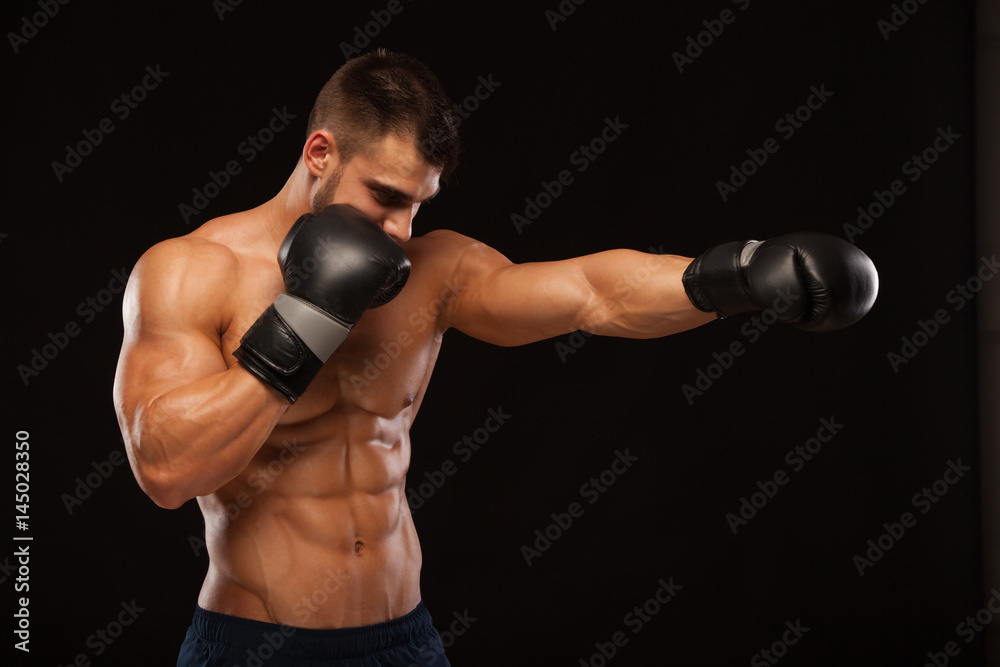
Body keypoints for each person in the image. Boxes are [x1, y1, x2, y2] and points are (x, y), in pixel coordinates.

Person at [112, 49, 878, 667]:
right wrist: (305, 318)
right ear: (320, 152)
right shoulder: (191, 269)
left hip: (400, 639)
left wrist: (733, 275)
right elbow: (167, 470)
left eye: (420, 203)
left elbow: (589, 293)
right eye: (384, 196)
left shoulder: (433, 271)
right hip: (257, 645)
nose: (401, 231)